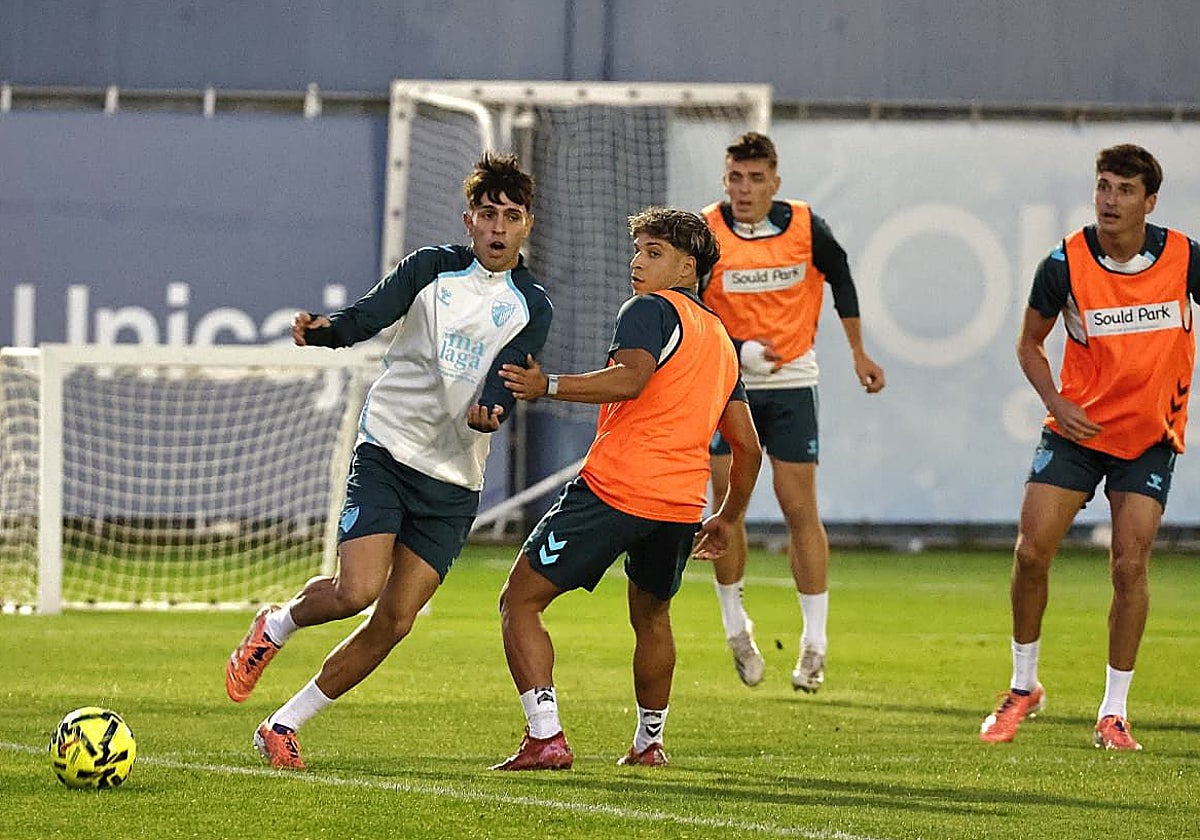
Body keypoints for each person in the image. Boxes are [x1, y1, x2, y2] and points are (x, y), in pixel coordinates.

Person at [223, 152, 553, 770]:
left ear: (528, 224)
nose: (498, 227)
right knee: (357, 591)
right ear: (469, 220)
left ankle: (283, 725)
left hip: (455, 479)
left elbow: (514, 372)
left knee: (396, 620)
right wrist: (324, 331)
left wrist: (493, 407)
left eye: (511, 216)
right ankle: (277, 624)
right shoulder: (430, 270)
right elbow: (370, 317)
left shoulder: (533, 302)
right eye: (488, 215)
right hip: (389, 449)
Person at [489, 207, 762, 770]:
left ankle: (546, 737)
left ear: (688, 266)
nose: (638, 263)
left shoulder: (649, 309)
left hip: (615, 489)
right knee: (653, 619)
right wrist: (729, 517)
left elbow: (631, 380)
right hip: (679, 505)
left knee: (519, 601)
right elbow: (749, 448)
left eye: (654, 252)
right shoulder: (720, 338)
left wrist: (549, 385)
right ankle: (648, 743)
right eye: (637, 251)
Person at [979, 144, 1200, 751]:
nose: (1110, 199)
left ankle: (1113, 713)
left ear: (1149, 202)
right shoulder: (1065, 263)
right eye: (1103, 186)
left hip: (1150, 438)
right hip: (1077, 432)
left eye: (1125, 190)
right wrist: (1056, 401)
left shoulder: (1183, 257)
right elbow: (1029, 343)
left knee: (1130, 566)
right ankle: (1023, 687)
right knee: (1030, 553)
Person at [699, 132, 885, 691]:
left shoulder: (806, 225)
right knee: (727, 507)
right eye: (736, 177)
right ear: (725, 180)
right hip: (728, 386)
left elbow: (843, 276)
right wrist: (739, 350)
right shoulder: (706, 231)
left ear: (775, 182)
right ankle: (736, 629)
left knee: (799, 507)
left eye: (756, 178)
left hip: (792, 383)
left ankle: (814, 644)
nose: (746, 189)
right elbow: (688, 308)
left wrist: (857, 352)